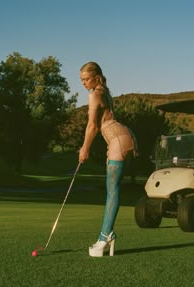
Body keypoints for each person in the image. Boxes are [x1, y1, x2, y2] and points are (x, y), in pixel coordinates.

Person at [79, 62, 138, 257]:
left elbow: (92, 126)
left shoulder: (94, 94)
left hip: (118, 140)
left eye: (86, 79)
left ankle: (105, 236)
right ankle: (106, 235)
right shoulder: (104, 91)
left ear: (96, 77)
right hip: (124, 137)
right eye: (81, 80)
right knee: (112, 188)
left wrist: (84, 149)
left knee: (112, 189)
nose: (83, 83)